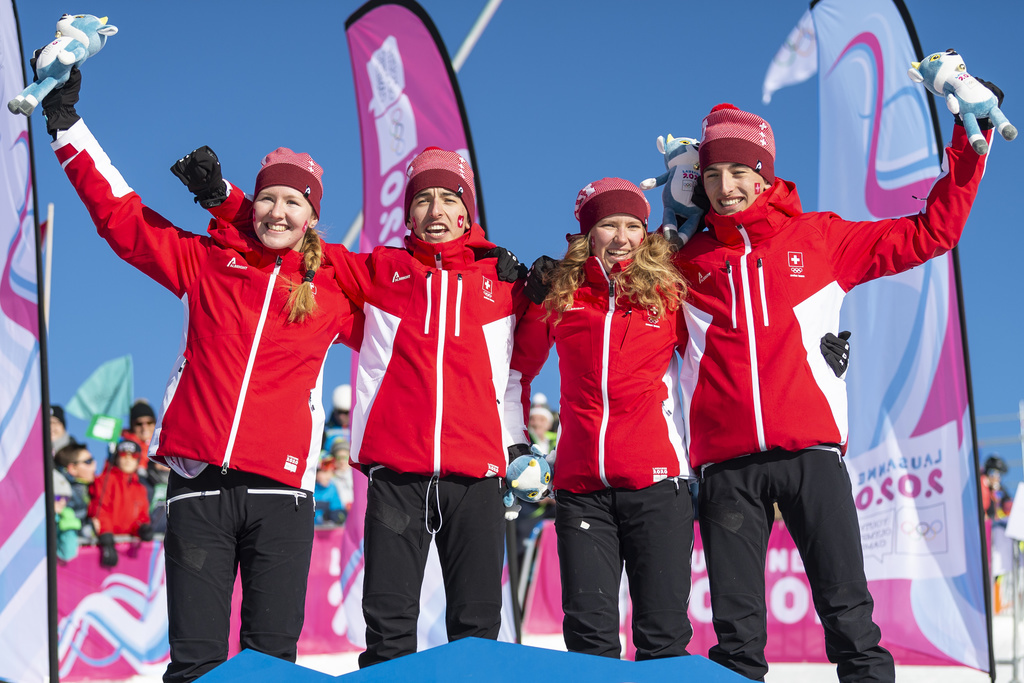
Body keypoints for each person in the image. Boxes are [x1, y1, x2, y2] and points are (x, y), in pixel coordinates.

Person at [38, 67, 363, 682]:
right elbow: (122, 219)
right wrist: (66, 126)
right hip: (198, 486)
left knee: (274, 666)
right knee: (195, 664)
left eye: (294, 202)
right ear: (253, 204)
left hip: (282, 496)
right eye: (267, 197)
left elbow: (418, 324)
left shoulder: (333, 295)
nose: (277, 210)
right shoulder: (205, 264)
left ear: (312, 218)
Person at [674, 101, 991, 681]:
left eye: (739, 173)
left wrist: (970, 146)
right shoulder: (686, 263)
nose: (726, 187)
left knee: (849, 619)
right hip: (726, 466)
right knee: (735, 638)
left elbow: (932, 232)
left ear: (765, 175)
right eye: (713, 175)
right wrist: (660, 232)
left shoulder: (818, 238)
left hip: (810, 457)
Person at [200, 144, 527, 666]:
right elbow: (291, 231)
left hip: (477, 477)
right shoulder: (380, 270)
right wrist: (226, 200)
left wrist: (547, 277)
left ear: (467, 212)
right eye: (423, 201)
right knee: (389, 628)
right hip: (397, 476)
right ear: (409, 212)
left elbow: (532, 357)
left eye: (448, 200)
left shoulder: (505, 286)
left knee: (477, 629)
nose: (436, 212)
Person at [507, 178, 695, 660]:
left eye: (633, 225)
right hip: (581, 489)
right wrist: (516, 442)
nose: (622, 236)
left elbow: (726, 348)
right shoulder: (562, 299)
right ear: (588, 234)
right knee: (589, 639)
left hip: (658, 485)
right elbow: (515, 370)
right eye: (608, 224)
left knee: (664, 634)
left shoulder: (670, 292)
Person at [88, 440, 154, 567]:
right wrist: (106, 538)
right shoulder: (105, 480)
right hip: (106, 544)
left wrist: (142, 529)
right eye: (124, 455)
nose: (128, 460)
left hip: (129, 550)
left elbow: (141, 517)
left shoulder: (140, 488)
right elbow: (101, 509)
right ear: (116, 458)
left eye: (133, 456)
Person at [54, 441, 97, 541]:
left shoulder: (89, 488)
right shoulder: (64, 493)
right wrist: (90, 525)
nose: (94, 465)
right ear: (73, 469)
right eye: (88, 461)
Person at [54, 469, 81, 562]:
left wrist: (68, 524)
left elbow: (67, 554)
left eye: (66, 498)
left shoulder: (63, 518)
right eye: (57, 497)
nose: (62, 502)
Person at [313, 452, 346, 526]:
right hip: (311, 530)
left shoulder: (332, 488)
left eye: (331, 472)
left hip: (326, 531)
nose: (328, 476)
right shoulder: (309, 489)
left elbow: (337, 507)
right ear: (316, 471)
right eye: (325, 472)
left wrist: (337, 515)